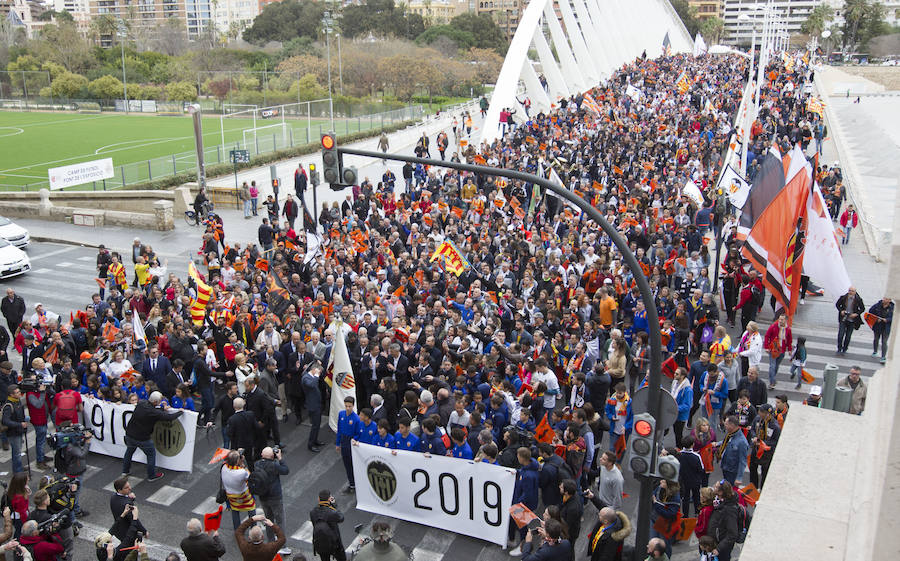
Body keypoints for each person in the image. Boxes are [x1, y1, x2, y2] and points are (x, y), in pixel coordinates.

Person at [122, 391, 183, 481]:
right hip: (143, 438)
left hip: (130, 434)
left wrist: (161, 408)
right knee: (151, 455)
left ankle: (125, 471)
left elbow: (155, 410)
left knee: (129, 452)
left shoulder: (141, 403)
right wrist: (180, 412)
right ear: (155, 402)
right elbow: (169, 418)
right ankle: (151, 475)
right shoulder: (153, 412)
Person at [508, 447, 540, 556]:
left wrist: (517, 505)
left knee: (522, 526)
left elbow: (527, 494)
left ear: (522, 458)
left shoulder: (528, 476)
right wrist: (516, 472)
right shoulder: (528, 468)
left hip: (523, 504)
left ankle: (523, 546)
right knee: (518, 523)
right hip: (522, 502)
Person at [253, 447, 289, 541]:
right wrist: (280, 458)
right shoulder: (275, 465)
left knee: (268, 520)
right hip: (275, 497)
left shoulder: (257, 464)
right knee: (280, 521)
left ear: (262, 455)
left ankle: (271, 541)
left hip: (263, 496)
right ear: (273, 456)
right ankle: (282, 543)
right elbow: (285, 470)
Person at [748, 403, 780, 490]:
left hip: (766, 453)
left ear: (767, 414)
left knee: (765, 471)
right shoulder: (758, 419)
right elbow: (753, 429)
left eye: (761, 412)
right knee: (752, 467)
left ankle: (763, 489)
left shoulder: (775, 426)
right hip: (756, 448)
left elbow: (775, 441)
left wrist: (762, 443)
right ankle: (753, 487)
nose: (759, 413)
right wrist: (754, 437)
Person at [706, 482, 742, 561]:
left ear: (721, 492)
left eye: (715, 487)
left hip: (722, 548)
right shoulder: (721, 502)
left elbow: (732, 534)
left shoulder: (729, 510)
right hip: (716, 543)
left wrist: (719, 549)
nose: (713, 488)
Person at [221, 451, 255, 530]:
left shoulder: (224, 468)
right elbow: (249, 476)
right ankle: (253, 527)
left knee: (235, 510)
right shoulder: (241, 472)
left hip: (230, 494)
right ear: (237, 461)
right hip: (243, 494)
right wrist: (244, 465)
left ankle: (237, 530)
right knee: (251, 508)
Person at [109, 477, 147, 543]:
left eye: (129, 486)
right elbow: (133, 519)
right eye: (126, 488)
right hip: (128, 534)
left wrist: (129, 498)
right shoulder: (126, 503)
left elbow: (121, 503)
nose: (130, 488)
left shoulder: (113, 497)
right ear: (119, 490)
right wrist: (144, 531)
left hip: (119, 530)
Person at [310, 490, 345, 561]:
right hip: (335, 542)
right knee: (341, 558)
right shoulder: (332, 512)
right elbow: (341, 518)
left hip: (320, 542)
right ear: (329, 499)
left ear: (319, 499)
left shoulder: (313, 512)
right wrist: (334, 505)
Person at [334, 397, 360, 494]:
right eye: (346, 406)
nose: (348, 408)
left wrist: (354, 440)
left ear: (353, 406)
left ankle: (357, 483)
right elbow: (339, 430)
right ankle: (352, 484)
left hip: (351, 443)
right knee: (347, 465)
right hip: (344, 442)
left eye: (350, 406)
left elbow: (358, 434)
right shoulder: (341, 414)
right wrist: (337, 443)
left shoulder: (356, 419)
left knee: (354, 465)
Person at [715, 415, 749, 485]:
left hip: (732, 471)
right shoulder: (730, 434)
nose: (725, 425)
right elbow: (726, 441)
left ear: (732, 425)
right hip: (725, 466)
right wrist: (717, 444)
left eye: (726, 424)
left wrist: (739, 478)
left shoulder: (742, 442)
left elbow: (743, 461)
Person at [1, 384, 27, 473]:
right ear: (11, 395)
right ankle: (17, 471)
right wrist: (19, 424)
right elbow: (6, 421)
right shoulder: (9, 406)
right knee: (16, 454)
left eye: (19, 391)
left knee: (17, 452)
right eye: (17, 392)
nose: (19, 393)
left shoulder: (17, 401)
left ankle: (18, 467)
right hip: (13, 433)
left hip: (18, 431)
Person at [763, 314, 792, 390]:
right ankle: (772, 382)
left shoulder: (788, 329)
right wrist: (766, 347)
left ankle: (772, 377)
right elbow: (767, 336)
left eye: (782, 319)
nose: (780, 321)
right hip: (773, 349)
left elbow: (789, 340)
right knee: (772, 366)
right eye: (779, 319)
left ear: (785, 320)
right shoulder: (774, 326)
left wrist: (789, 349)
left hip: (782, 350)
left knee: (776, 366)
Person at [302, 363, 325, 452]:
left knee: (317, 424)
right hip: (312, 405)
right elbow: (312, 385)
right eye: (319, 372)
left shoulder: (311, 377)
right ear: (314, 369)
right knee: (315, 426)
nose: (319, 374)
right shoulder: (306, 378)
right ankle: (311, 444)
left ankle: (315, 440)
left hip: (316, 403)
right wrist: (316, 375)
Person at [836, 287, 864, 355]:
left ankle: (845, 348)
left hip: (852, 320)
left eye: (852, 291)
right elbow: (837, 305)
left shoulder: (858, 299)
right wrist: (841, 311)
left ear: (855, 292)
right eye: (850, 291)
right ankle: (839, 348)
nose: (850, 292)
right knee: (840, 335)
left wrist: (856, 314)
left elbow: (862, 308)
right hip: (844, 319)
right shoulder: (843, 298)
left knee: (848, 336)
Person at [868, 297, 893, 363]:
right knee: (876, 339)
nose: (884, 300)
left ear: (890, 300)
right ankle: (875, 351)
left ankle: (883, 356)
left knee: (884, 341)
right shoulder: (877, 305)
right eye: (884, 298)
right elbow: (870, 312)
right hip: (877, 326)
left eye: (886, 299)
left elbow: (895, 317)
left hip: (886, 327)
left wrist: (887, 320)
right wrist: (876, 319)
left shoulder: (893, 307)